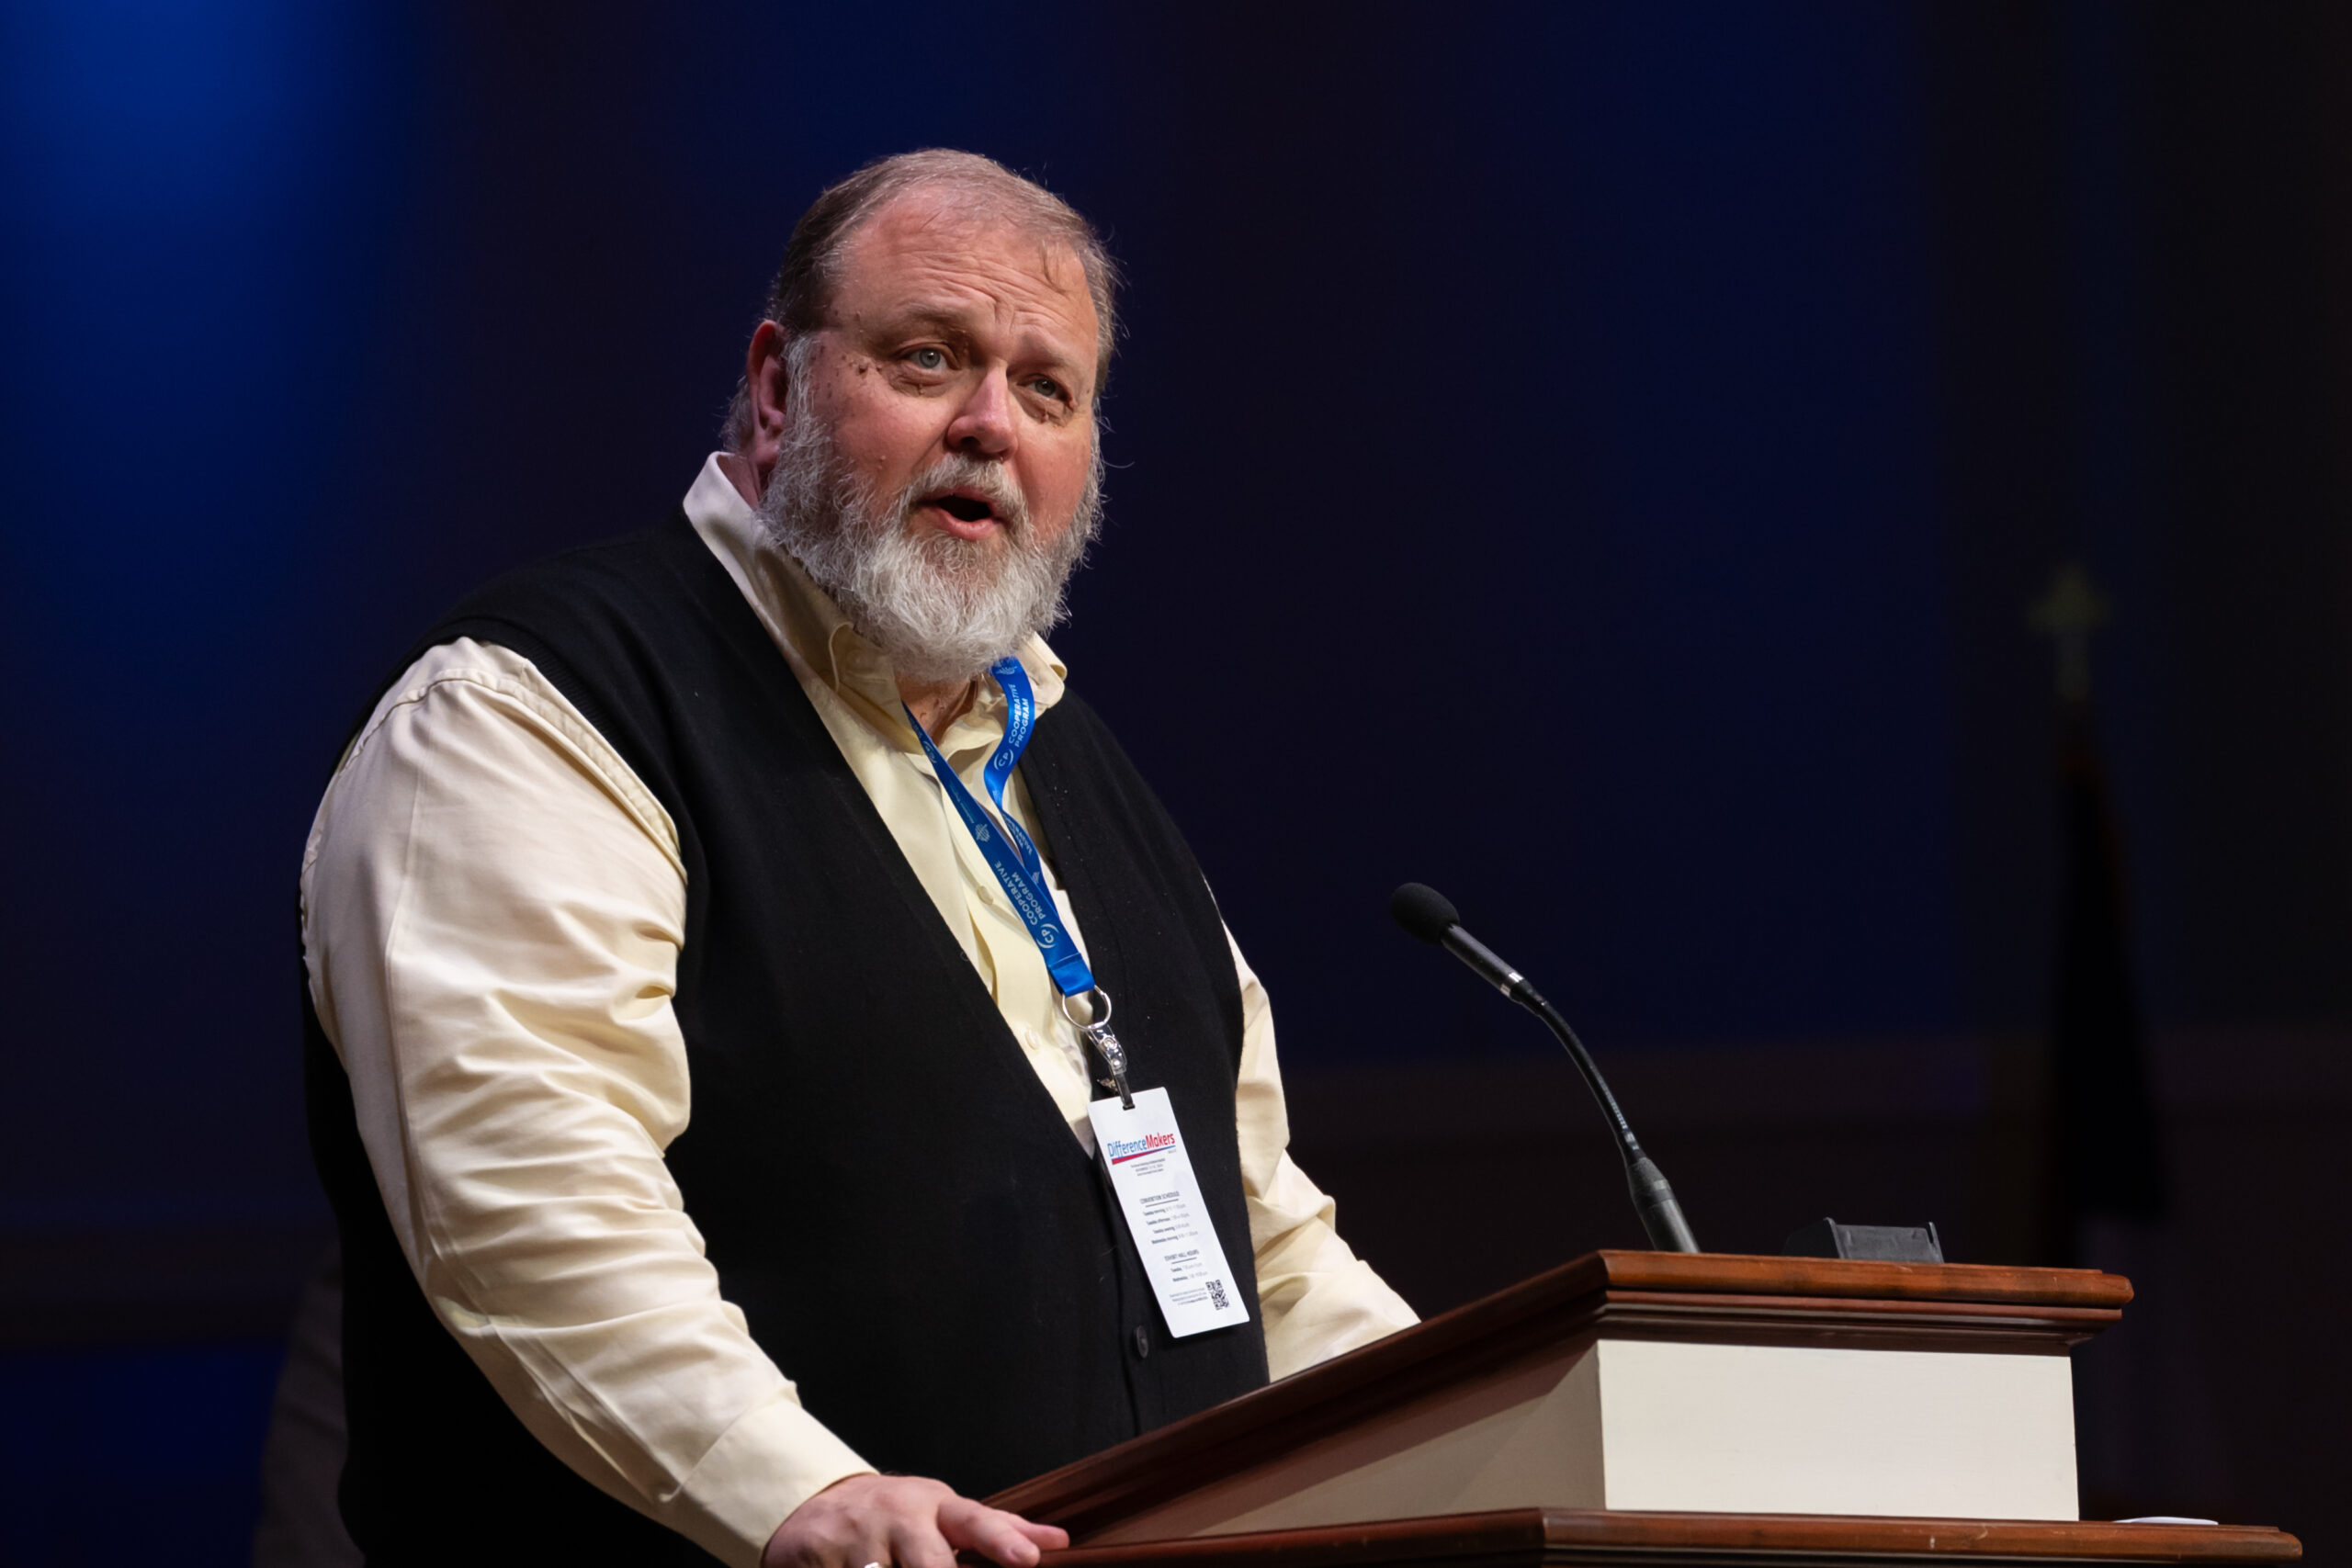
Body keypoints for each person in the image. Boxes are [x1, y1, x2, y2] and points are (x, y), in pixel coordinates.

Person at [300, 149, 1416, 1568]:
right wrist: (796, 1492)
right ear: (777, 388)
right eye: (929, 357)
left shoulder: (1075, 766)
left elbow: (1265, 1256)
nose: (990, 426)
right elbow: (535, 1208)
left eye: (1049, 390)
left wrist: (1525, 1431)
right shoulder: (531, 715)